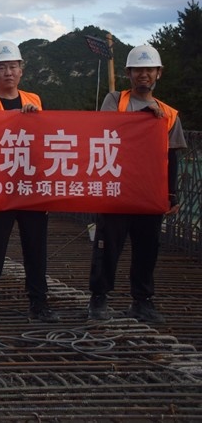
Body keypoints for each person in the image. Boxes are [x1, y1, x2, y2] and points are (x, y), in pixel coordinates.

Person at [88, 44, 187, 323]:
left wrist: (171, 194)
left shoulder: (168, 114)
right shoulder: (115, 100)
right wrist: (145, 118)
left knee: (147, 247)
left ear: (158, 73)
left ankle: (142, 301)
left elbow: (171, 156)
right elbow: (106, 130)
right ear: (128, 74)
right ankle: (99, 298)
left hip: (148, 192)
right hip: (117, 189)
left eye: (149, 70)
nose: (144, 74)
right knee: (108, 245)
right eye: (138, 70)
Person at [0, 40, 59, 323]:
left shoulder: (36, 101)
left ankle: (38, 302)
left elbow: (49, 138)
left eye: (12, 66)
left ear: (21, 70)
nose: (8, 72)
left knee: (36, 247)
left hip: (31, 186)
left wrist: (37, 120)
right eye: (1, 67)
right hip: (0, 188)